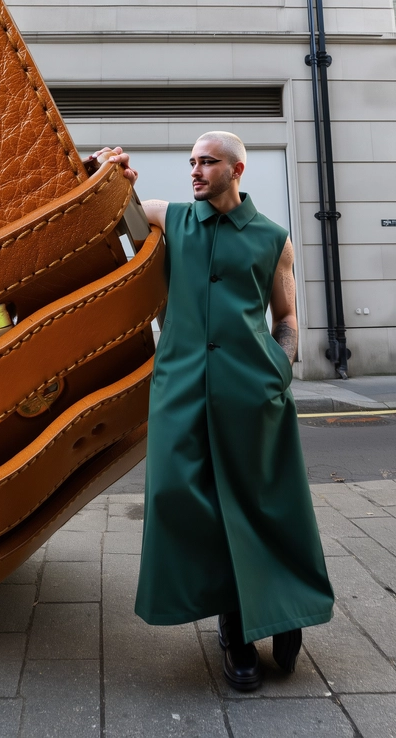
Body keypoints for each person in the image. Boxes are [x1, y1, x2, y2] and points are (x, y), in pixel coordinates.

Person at [93, 133, 334, 692]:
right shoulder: (170, 218)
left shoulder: (274, 238)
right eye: (192, 162)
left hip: (254, 394)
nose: (195, 170)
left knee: (268, 505)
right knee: (188, 505)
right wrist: (108, 172)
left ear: (237, 168)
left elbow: (287, 316)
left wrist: (280, 371)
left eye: (207, 162)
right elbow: (117, 214)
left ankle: (275, 616)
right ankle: (238, 624)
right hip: (180, 393)